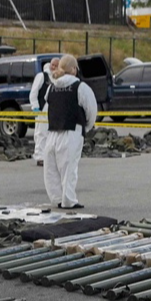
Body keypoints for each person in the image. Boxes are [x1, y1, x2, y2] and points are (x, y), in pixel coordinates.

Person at [41, 54, 98, 210]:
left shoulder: (51, 87)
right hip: (72, 130)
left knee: (51, 170)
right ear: (73, 69)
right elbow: (91, 111)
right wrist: (86, 127)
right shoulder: (80, 87)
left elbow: (47, 109)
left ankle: (57, 199)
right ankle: (69, 200)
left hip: (52, 132)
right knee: (69, 169)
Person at [29, 57, 60, 167]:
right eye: (53, 65)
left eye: (57, 65)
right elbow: (33, 93)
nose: (54, 67)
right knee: (40, 133)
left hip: (53, 110)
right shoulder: (42, 76)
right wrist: (35, 107)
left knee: (51, 134)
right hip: (42, 110)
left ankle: (48, 156)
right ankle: (39, 157)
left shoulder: (57, 79)